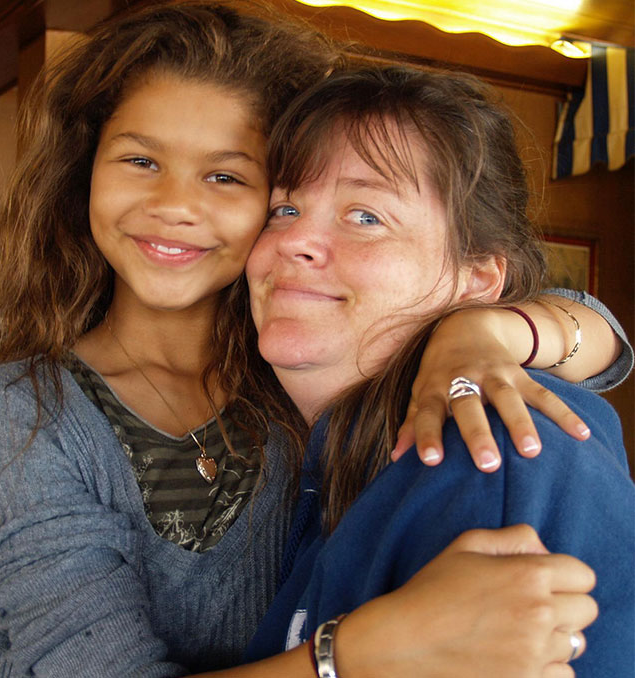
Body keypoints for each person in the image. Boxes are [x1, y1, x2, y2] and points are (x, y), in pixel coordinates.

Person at [0, 0, 630, 678]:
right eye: (140, 161)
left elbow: (596, 340)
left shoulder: (315, 372)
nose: (175, 205)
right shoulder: (32, 409)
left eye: (226, 176)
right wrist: (358, 654)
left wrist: (485, 327)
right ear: (84, 171)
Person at [243, 63, 635, 677]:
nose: (295, 241)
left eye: (366, 216)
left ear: (477, 281)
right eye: (285, 209)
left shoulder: (492, 448)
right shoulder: (313, 447)